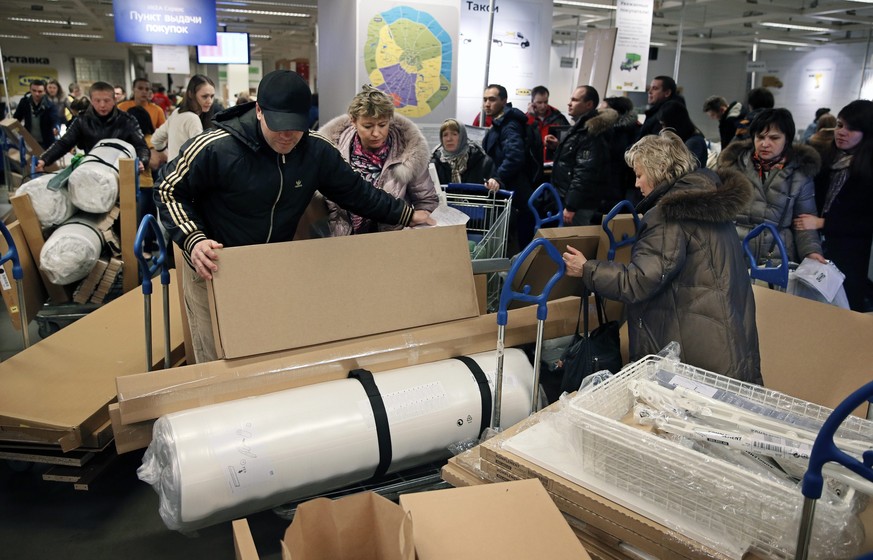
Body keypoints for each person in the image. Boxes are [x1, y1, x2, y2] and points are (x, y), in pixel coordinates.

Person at [153, 70, 433, 363]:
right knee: (218, 360)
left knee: (266, 352)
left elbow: (357, 193)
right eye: (279, 126)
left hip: (273, 265)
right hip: (214, 266)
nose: (287, 136)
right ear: (259, 111)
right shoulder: (216, 147)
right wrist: (194, 240)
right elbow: (168, 189)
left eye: (295, 127)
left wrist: (407, 214)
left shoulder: (315, 151)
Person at [562, 131, 761, 384]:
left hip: (694, 353)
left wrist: (587, 269)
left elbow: (641, 281)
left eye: (639, 174)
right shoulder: (710, 203)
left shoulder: (668, 216)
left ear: (658, 171)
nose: (636, 184)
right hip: (726, 342)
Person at [319, 85, 438, 236]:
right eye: (367, 126)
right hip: (345, 241)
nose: (376, 133)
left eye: (382, 125)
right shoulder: (332, 150)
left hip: (393, 241)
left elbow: (426, 201)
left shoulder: (409, 152)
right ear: (353, 121)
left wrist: (414, 231)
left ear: (390, 120)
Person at [718, 108, 824, 266]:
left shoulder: (800, 173)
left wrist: (812, 252)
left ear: (787, 139)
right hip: (734, 253)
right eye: (760, 137)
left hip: (777, 259)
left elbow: (804, 224)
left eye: (774, 138)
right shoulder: (732, 166)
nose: (765, 144)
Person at [796, 100, 873, 312]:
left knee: (843, 313)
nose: (842, 132)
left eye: (851, 128)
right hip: (817, 249)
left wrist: (824, 223)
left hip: (850, 256)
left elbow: (866, 223)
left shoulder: (867, 169)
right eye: (839, 125)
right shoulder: (827, 159)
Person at [36, 81, 149, 173]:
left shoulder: (128, 121)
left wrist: (141, 161)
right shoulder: (81, 120)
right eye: (97, 100)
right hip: (92, 172)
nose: (102, 105)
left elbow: (141, 147)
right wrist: (45, 159)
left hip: (121, 173)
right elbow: (64, 143)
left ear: (114, 100)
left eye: (106, 100)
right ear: (91, 100)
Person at [544, 85, 614, 226]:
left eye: (575, 100)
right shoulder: (581, 128)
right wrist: (558, 146)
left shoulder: (591, 132)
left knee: (573, 243)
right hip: (569, 199)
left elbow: (585, 172)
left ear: (589, 104)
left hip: (578, 205)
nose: (569, 103)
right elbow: (577, 156)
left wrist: (571, 206)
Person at [480, 83, 535, 249]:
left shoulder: (510, 125)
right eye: (485, 100)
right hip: (509, 188)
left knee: (518, 243)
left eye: (492, 99)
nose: (487, 104)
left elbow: (514, 157)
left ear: (504, 101)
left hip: (515, 191)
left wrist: (497, 177)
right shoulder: (500, 122)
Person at [151, 74, 216, 163]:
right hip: (188, 175)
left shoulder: (177, 112)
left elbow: (156, 140)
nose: (210, 101)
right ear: (190, 94)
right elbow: (201, 154)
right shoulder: (192, 118)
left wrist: (170, 159)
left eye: (212, 96)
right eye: (205, 96)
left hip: (173, 174)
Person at [431, 118, 497, 187]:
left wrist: (494, 183)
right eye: (445, 135)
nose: (449, 139)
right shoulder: (434, 163)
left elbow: (497, 187)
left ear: (463, 136)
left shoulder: (483, 161)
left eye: (454, 134)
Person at [601, 96, 641, 207]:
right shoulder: (605, 130)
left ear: (616, 112)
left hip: (626, 186)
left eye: (604, 110)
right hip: (607, 186)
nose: (599, 113)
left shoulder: (635, 131)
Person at [659, 100, 708, 168]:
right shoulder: (691, 140)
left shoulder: (693, 142)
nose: (662, 129)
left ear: (674, 124)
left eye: (664, 125)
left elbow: (682, 170)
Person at [526, 85, 569, 162]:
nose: (543, 106)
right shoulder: (526, 118)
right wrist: (530, 117)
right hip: (533, 163)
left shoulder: (558, 117)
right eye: (539, 102)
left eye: (546, 102)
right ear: (532, 102)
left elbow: (568, 142)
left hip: (553, 162)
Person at [13, 79, 56, 150]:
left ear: (45, 91)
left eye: (40, 91)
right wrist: (17, 132)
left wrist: (56, 127)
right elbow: (16, 119)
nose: (37, 94)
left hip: (46, 142)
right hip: (29, 141)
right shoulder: (24, 102)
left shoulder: (50, 103)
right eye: (34, 90)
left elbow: (56, 119)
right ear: (30, 90)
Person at [638, 75, 680, 139]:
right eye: (650, 88)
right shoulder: (655, 112)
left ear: (667, 93)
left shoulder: (666, 115)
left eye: (655, 88)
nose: (649, 92)